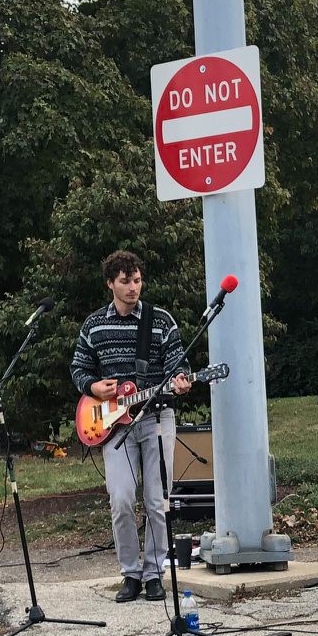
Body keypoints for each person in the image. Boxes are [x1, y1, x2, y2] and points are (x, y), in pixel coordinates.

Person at [71, 250, 193, 602]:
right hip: (114, 425)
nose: (132, 288)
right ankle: (130, 573)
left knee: (157, 500)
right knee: (121, 498)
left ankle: (155, 572)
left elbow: (177, 362)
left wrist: (182, 379)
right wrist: (93, 387)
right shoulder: (95, 326)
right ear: (110, 283)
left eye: (137, 280)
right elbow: (79, 368)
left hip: (156, 417)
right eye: (125, 282)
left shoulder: (161, 321)